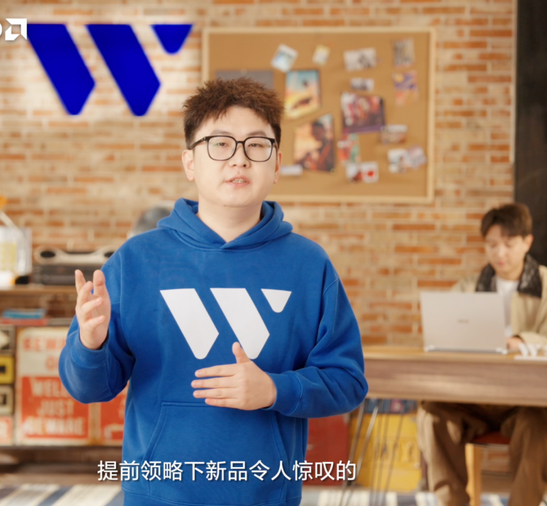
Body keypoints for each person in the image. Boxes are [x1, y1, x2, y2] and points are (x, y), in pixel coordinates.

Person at [59, 77, 368, 506]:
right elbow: (88, 389)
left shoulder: (309, 265)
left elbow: (347, 382)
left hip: (266, 494)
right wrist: (91, 345)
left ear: (277, 164)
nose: (239, 159)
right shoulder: (136, 261)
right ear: (190, 162)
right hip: (157, 494)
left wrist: (274, 390)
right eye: (220, 144)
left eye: (256, 145)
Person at [416, 203, 547, 506]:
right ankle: (452, 503)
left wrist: (519, 341)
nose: (499, 252)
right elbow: (443, 336)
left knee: (539, 426)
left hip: (530, 400)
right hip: (474, 397)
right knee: (432, 414)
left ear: (527, 242)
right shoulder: (467, 288)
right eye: (491, 244)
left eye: (508, 243)